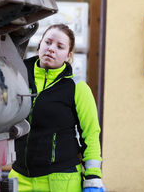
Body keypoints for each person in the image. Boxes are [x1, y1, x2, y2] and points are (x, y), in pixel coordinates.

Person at [9, 24, 104, 192]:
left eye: (60, 46)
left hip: (61, 180)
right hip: (20, 177)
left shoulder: (77, 88)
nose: (51, 49)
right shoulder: (18, 79)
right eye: (48, 42)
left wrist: (93, 177)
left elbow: (91, 134)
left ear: (68, 56)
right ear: (39, 45)